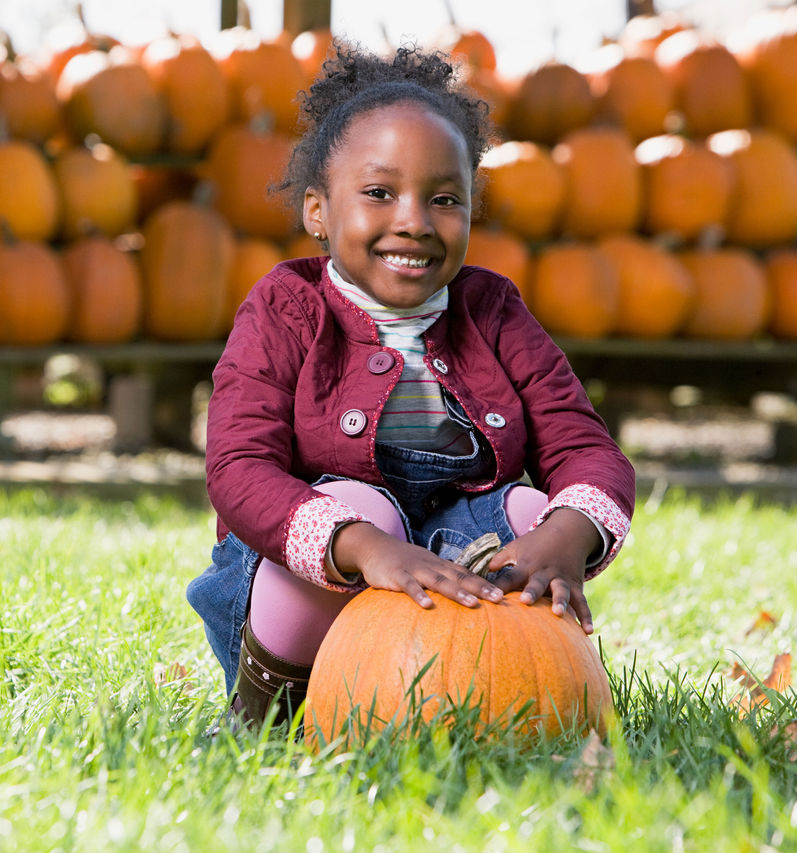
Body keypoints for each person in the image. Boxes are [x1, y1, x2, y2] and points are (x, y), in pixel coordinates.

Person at [186, 42, 635, 729]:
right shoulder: (285, 307)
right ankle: (265, 717)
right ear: (317, 209)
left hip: (456, 553)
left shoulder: (492, 309)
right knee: (358, 500)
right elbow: (239, 468)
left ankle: (516, 703)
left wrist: (567, 531)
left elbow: (584, 443)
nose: (415, 221)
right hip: (318, 571)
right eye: (378, 193)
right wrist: (366, 545)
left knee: (526, 513)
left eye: (444, 198)